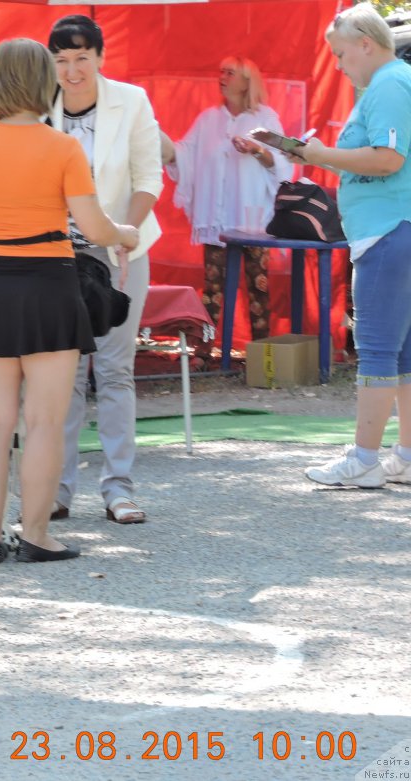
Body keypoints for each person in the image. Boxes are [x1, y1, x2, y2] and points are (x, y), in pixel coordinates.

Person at [0, 38, 140, 563]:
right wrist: (126, 234)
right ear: (44, 83)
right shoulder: (63, 149)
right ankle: (35, 534)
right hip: (50, 285)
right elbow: (95, 225)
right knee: (45, 421)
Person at [46, 15, 163, 525]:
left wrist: (123, 234)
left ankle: (119, 488)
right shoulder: (37, 102)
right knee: (62, 374)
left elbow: (148, 178)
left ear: (99, 57)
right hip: (53, 256)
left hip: (120, 251)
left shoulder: (132, 101)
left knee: (115, 370)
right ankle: (56, 489)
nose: (71, 71)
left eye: (81, 58)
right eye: (62, 60)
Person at [299, 5, 411, 488]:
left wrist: (317, 154)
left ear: (366, 43)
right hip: (394, 227)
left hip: (387, 230)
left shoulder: (388, 83)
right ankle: (403, 455)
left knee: (378, 349)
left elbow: (388, 158)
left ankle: (364, 459)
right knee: (402, 353)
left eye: (341, 54)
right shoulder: (393, 80)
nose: (340, 65)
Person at [160, 56, 293, 351]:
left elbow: (286, 160)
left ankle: (264, 356)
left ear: (247, 81)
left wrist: (257, 150)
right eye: (221, 71)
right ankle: (204, 354)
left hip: (253, 219)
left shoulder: (264, 119)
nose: (222, 77)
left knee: (258, 287)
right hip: (217, 220)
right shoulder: (208, 119)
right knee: (212, 290)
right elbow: (186, 152)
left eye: (230, 73)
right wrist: (164, 147)